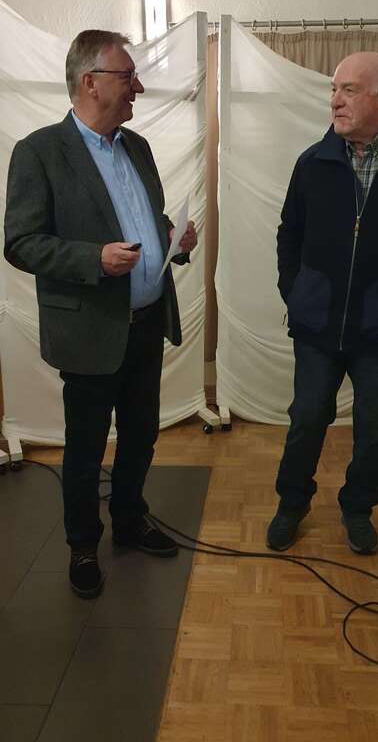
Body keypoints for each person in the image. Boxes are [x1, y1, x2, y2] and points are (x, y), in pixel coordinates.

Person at [4, 30, 197, 598]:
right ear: (90, 82)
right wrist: (94, 259)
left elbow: (145, 218)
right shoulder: (39, 152)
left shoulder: (137, 146)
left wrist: (171, 239)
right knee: (86, 448)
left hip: (146, 322)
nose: (138, 87)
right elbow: (20, 242)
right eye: (127, 76)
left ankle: (130, 519)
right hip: (89, 329)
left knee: (141, 436)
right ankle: (82, 544)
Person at [267, 52, 378, 555]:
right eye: (334, 89)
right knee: (307, 419)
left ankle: (358, 508)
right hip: (318, 324)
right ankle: (291, 504)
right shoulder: (313, 162)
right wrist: (295, 290)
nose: (334, 100)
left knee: (374, 430)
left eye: (348, 89)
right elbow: (289, 232)